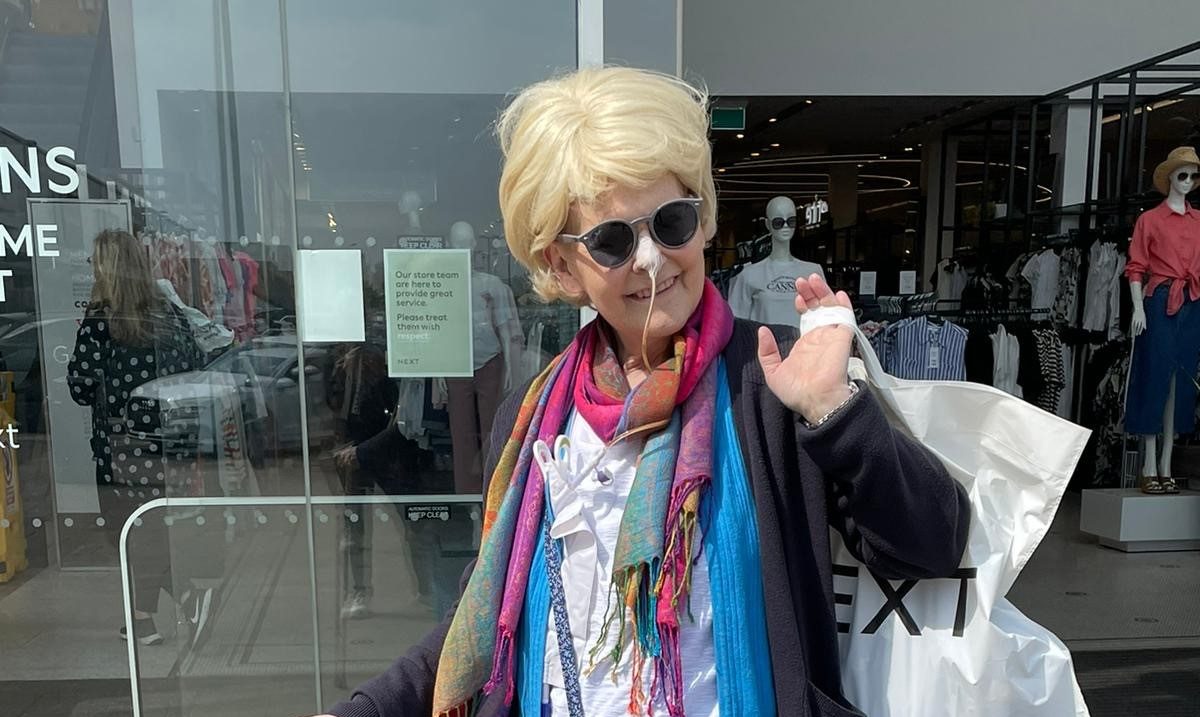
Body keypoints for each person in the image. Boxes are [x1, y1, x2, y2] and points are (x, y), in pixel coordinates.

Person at [319, 67, 969, 717]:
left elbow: (933, 541)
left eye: (672, 221)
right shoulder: (534, 415)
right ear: (560, 264)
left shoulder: (771, 379)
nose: (653, 258)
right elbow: (485, 614)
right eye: (612, 239)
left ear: (703, 218)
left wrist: (835, 411)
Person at [67, 229, 210, 647]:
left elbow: (80, 386)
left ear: (105, 267)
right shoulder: (166, 311)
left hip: (121, 445)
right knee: (152, 529)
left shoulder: (101, 321)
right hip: (171, 444)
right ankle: (145, 617)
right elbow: (195, 363)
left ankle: (180, 596)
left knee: (127, 531)